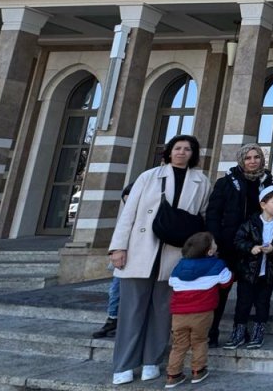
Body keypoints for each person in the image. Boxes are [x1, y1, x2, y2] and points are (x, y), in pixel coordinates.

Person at [108, 134, 211, 386]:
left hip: (175, 253)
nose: (182, 152)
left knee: (162, 312)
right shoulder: (148, 177)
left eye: (187, 149)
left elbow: (203, 218)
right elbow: (128, 214)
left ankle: (151, 361)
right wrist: (118, 247)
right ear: (169, 151)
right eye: (178, 148)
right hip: (141, 250)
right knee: (131, 311)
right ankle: (124, 364)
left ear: (193, 154)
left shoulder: (201, 181)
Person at [203, 143, 273, 346]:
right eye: (248, 158)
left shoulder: (270, 182)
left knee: (248, 293)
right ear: (241, 160)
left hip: (254, 247)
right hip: (227, 245)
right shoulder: (227, 182)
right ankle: (212, 331)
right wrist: (214, 239)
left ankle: (241, 329)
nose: (252, 161)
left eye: (256, 157)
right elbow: (214, 213)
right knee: (221, 290)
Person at [225, 185, 273, 350]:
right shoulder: (251, 222)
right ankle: (239, 332)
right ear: (263, 204)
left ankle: (258, 332)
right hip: (248, 271)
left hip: (267, 273)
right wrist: (250, 248)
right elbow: (238, 241)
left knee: (262, 303)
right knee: (243, 303)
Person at [165, 232, 232, 388]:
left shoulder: (180, 265)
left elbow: (171, 282)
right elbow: (226, 281)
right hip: (202, 312)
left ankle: (173, 374)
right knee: (200, 341)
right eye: (214, 243)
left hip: (179, 314)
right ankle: (198, 371)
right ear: (209, 251)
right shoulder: (217, 264)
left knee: (178, 344)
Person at [94, 181, 133, 340]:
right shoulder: (125, 217)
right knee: (116, 289)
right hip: (124, 259)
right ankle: (113, 319)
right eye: (126, 200)